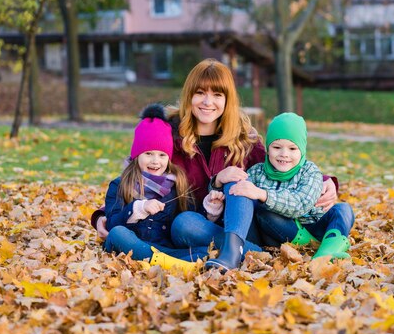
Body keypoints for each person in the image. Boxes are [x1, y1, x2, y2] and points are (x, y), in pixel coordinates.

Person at [92, 58, 339, 270]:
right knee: (184, 222)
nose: (207, 102)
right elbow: (137, 175)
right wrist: (104, 215)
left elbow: (280, 163)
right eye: (200, 93)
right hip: (192, 228)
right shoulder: (169, 134)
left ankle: (234, 250)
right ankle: (246, 252)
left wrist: (327, 181)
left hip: (240, 225)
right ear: (189, 95)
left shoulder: (243, 137)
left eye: (217, 94)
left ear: (227, 99)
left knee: (237, 179)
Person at [97, 105, 209, 272]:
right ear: (136, 155)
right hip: (130, 245)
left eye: (162, 155)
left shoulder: (177, 184)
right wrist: (138, 208)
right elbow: (112, 223)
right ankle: (170, 264)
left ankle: (163, 261)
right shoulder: (120, 185)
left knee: (206, 251)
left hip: (165, 249)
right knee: (117, 234)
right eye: (148, 153)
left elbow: (191, 217)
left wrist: (211, 209)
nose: (155, 161)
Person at [228, 112, 355, 259]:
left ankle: (327, 251)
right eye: (276, 147)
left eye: (292, 149)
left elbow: (300, 204)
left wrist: (263, 194)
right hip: (284, 231)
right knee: (264, 214)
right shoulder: (256, 172)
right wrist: (216, 191)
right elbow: (240, 194)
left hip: (314, 226)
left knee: (343, 209)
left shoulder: (309, 171)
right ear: (267, 148)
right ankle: (309, 245)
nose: (284, 154)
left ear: (302, 150)